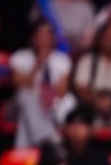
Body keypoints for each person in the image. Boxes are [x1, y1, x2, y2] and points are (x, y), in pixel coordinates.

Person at [10, 20, 74, 148]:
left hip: (50, 107)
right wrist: (38, 64)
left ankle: (22, 153)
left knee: (28, 116)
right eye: (41, 34)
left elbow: (62, 91)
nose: (45, 38)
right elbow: (19, 85)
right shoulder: (19, 57)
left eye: (48, 34)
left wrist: (45, 94)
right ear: (33, 37)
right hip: (17, 106)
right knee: (26, 96)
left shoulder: (62, 60)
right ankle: (47, 141)